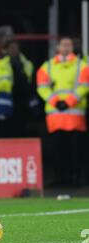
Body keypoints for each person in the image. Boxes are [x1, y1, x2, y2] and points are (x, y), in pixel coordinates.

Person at [37, 37, 89, 187]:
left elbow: (84, 86)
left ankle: (76, 179)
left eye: (69, 45)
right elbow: (42, 87)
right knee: (58, 151)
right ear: (58, 47)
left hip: (75, 115)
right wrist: (56, 101)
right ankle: (60, 179)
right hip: (56, 116)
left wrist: (68, 102)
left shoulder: (82, 66)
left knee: (76, 151)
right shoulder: (48, 66)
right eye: (63, 44)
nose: (66, 47)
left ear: (73, 47)